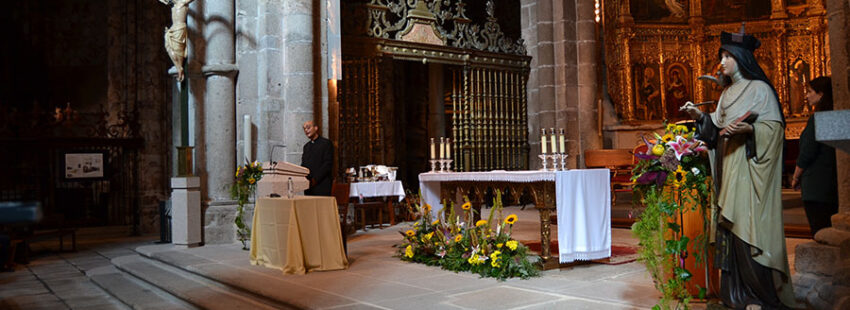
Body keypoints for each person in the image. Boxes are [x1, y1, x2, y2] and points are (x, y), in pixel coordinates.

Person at [681, 27, 799, 309]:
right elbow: (715, 131)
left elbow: (773, 130)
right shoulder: (727, 93)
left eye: (726, 56)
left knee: (748, 229)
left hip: (748, 170)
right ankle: (735, 295)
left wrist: (751, 130)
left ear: (742, 57)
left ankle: (759, 294)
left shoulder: (760, 90)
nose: (721, 63)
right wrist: (700, 117)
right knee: (731, 235)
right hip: (726, 167)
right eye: (721, 57)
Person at [791, 76, 838, 235]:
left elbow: (808, 152)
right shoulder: (836, 116)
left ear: (821, 94)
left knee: (820, 232)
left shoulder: (817, 119)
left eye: (810, 91)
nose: (806, 95)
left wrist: (796, 176)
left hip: (816, 186)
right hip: (832, 184)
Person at [160, 0, 195, 82]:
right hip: (173, 28)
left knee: (177, 49)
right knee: (168, 46)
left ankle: (179, 69)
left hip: (179, 28)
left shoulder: (183, 3)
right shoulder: (173, 5)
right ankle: (179, 67)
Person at [301, 121, 333, 196]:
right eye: (304, 129)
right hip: (308, 186)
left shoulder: (326, 143)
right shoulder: (306, 147)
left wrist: (315, 179)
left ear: (316, 128)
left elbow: (327, 164)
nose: (306, 130)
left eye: (308, 127)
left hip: (322, 184)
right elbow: (304, 164)